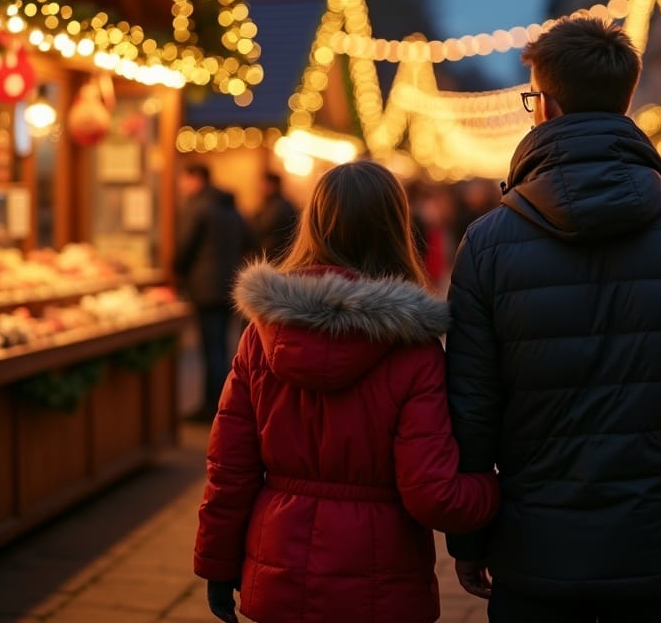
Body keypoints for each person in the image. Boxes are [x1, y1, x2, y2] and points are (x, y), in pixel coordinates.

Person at [444, 17, 661, 622]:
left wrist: (468, 537)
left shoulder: (487, 243)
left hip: (533, 541)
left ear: (544, 105)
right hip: (658, 537)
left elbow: (470, 406)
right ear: (625, 98)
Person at [194, 159, 500, 623]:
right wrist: (497, 489)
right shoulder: (413, 351)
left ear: (312, 225)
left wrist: (217, 564)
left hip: (279, 569)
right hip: (381, 581)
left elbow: (229, 468)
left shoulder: (261, 335)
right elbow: (431, 492)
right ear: (396, 229)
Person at [172, 162, 252, 421]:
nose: (182, 186)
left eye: (184, 179)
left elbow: (185, 248)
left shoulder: (198, 208)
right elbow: (250, 241)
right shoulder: (232, 209)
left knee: (211, 348)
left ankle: (214, 406)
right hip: (230, 285)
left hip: (205, 287)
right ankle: (224, 402)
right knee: (223, 346)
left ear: (197, 178)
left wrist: (176, 273)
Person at [248, 170, 298, 263]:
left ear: (272, 185)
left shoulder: (278, 207)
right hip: (275, 255)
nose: (260, 188)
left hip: (274, 257)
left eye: (263, 184)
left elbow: (261, 229)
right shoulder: (274, 204)